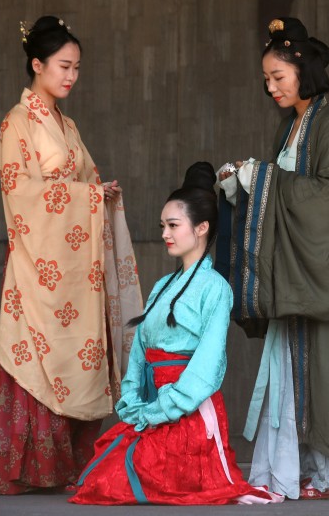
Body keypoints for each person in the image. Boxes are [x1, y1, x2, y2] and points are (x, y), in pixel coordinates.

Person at [0, 17, 143, 495]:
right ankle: (29, 467)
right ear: (37, 64)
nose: (71, 76)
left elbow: (83, 180)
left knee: (78, 356)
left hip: (74, 268)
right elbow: (21, 193)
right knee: (36, 359)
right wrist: (86, 198)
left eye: (77, 67)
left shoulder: (67, 125)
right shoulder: (17, 122)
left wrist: (99, 193)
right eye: (64, 66)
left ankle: (65, 463)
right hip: (39, 264)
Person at [216, 16, 329, 500]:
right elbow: (279, 197)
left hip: (327, 265)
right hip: (297, 269)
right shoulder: (290, 126)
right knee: (295, 370)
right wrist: (242, 184)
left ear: (303, 70)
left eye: (278, 77)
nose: (271, 87)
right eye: (266, 79)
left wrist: (263, 177)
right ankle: (303, 465)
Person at [70, 163, 277, 505]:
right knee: (103, 476)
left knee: (125, 479)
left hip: (187, 411)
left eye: (173, 225)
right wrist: (133, 400)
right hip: (151, 406)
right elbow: (140, 351)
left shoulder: (216, 288)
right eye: (163, 226)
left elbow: (208, 365)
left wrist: (164, 408)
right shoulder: (162, 285)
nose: (165, 233)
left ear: (202, 228)